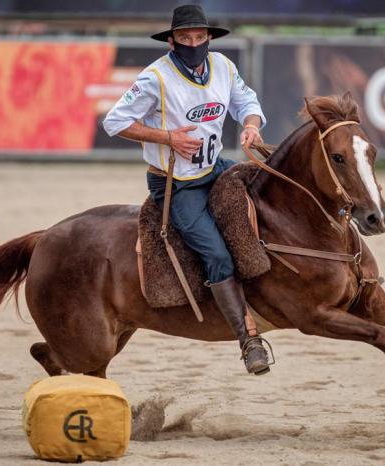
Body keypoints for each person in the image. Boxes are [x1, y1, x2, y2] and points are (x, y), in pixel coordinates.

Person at [103, 4, 271, 375]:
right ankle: (248, 340)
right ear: (173, 40)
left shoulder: (224, 67)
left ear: (209, 38)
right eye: (185, 38)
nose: (193, 43)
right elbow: (115, 122)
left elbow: (247, 102)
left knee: (273, 192)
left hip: (215, 168)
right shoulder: (155, 78)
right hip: (176, 183)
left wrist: (251, 126)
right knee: (217, 255)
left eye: (199, 37)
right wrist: (167, 138)